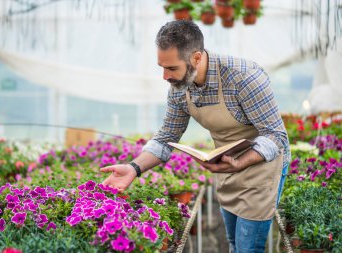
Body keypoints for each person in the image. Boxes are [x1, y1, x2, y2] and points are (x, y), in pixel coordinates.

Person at [100, 20, 290, 253]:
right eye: (162, 67)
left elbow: (275, 135)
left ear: (197, 58)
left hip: (262, 170)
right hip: (228, 167)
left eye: (171, 68)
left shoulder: (244, 78)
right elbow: (166, 137)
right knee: (233, 243)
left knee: (247, 248)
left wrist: (241, 162)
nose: (165, 76)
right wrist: (133, 168)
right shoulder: (180, 87)